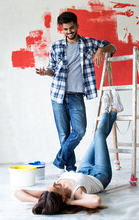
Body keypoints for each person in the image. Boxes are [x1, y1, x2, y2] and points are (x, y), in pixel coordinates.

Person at [15, 90, 124, 215]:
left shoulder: (49, 193)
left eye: (52, 186)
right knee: (99, 135)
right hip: (100, 174)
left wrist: (42, 201)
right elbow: (96, 201)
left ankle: (114, 110)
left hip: (84, 168)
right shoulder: (77, 194)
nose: (54, 183)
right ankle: (109, 111)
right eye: (56, 187)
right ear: (62, 198)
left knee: (98, 138)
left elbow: (18, 193)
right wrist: (69, 202)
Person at [35, 12, 116, 174]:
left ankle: (59, 160)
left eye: (71, 27)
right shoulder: (56, 46)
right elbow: (52, 70)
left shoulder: (87, 43)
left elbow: (112, 47)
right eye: (65, 29)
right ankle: (70, 168)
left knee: (79, 131)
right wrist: (46, 72)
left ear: (77, 26)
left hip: (76, 95)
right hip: (58, 94)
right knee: (64, 134)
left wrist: (100, 49)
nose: (69, 31)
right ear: (62, 29)